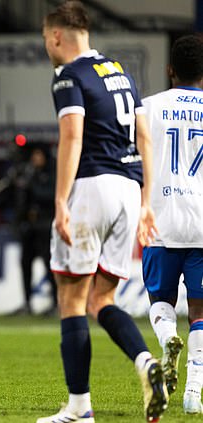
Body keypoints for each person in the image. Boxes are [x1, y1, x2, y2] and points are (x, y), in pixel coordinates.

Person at [38, 2, 168, 422]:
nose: (47, 46)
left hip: (92, 187)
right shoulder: (120, 73)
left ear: (57, 35)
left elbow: (72, 135)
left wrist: (60, 200)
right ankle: (146, 361)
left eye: (45, 38)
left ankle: (79, 408)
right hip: (129, 191)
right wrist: (146, 200)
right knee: (103, 298)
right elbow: (146, 138)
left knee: (72, 298)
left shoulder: (68, 76)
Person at [141, 34, 203, 415]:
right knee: (200, 311)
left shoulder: (147, 108)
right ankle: (194, 392)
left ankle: (167, 339)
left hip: (161, 220)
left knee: (160, 302)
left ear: (170, 70)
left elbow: (135, 163)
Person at [15, 145, 57, 315]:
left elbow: (49, 195)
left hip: (46, 226)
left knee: (50, 265)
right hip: (30, 227)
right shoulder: (29, 173)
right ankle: (27, 302)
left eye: (38, 154)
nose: (35, 158)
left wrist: (30, 187)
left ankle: (55, 303)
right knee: (26, 264)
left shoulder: (52, 174)